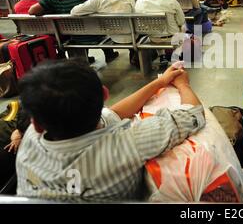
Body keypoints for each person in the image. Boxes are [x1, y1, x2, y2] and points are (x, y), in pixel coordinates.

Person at [15, 59, 205, 200]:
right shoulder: (129, 144)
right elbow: (192, 115)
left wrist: (159, 83)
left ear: (37, 125)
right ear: (106, 94)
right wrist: (183, 84)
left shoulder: (30, 140)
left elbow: (111, 115)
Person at [136, 0, 185, 66]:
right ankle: (177, 55)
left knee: (156, 28)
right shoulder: (172, 2)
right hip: (171, 38)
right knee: (183, 26)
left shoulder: (140, 1)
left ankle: (162, 55)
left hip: (152, 37)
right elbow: (181, 21)